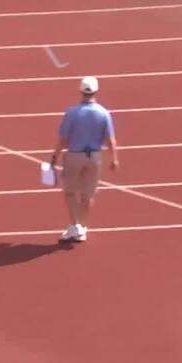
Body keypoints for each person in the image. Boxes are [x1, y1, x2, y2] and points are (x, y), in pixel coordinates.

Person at [48, 76, 119, 242]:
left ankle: (76, 226)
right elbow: (110, 139)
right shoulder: (103, 113)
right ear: (96, 91)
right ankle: (82, 227)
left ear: (81, 91)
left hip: (74, 156)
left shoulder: (72, 113)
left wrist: (55, 155)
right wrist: (114, 158)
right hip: (95, 156)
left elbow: (63, 139)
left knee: (70, 192)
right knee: (88, 195)